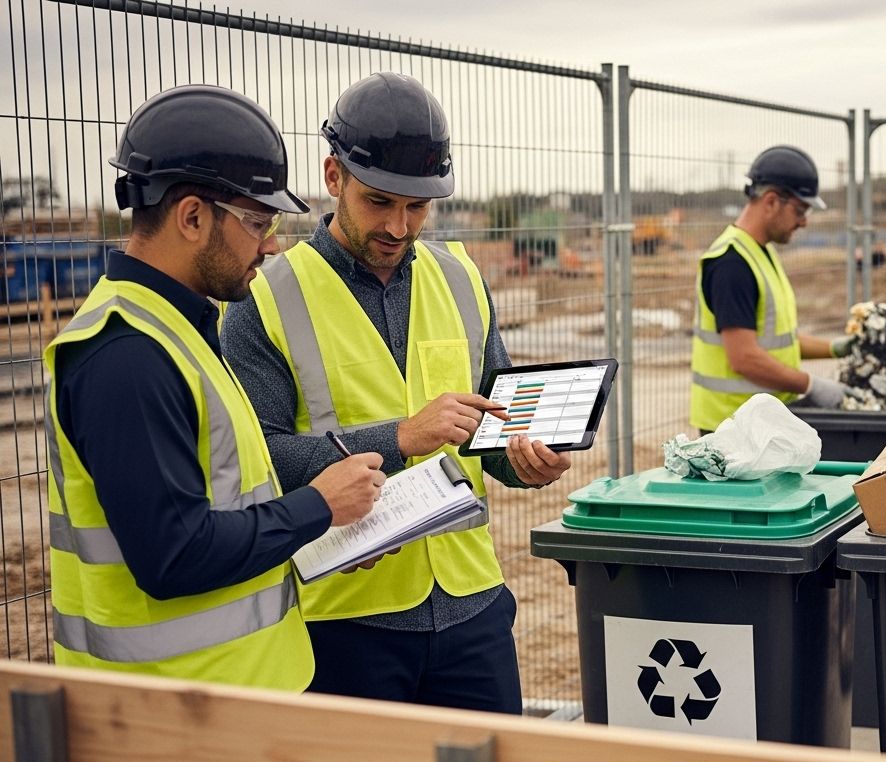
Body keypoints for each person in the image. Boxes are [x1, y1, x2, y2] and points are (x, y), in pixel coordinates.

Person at [222, 72, 571, 713]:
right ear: (333, 178)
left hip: (473, 606)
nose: (399, 225)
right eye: (379, 202)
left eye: (417, 206)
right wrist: (401, 437)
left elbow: (490, 428)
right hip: (347, 620)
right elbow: (257, 461)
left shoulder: (461, 278)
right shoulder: (264, 299)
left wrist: (523, 462)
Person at [44, 85, 384, 690]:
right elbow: (173, 556)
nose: (273, 242)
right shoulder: (126, 356)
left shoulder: (181, 330)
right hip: (175, 718)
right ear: (193, 216)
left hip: (233, 698)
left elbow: (225, 514)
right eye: (258, 220)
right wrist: (319, 505)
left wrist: (324, 537)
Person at [690, 145, 854, 432]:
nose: (803, 221)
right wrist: (811, 385)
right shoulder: (731, 263)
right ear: (771, 201)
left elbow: (779, 342)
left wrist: (837, 348)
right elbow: (745, 358)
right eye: (800, 210)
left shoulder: (760, 252)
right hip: (732, 432)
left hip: (760, 426)